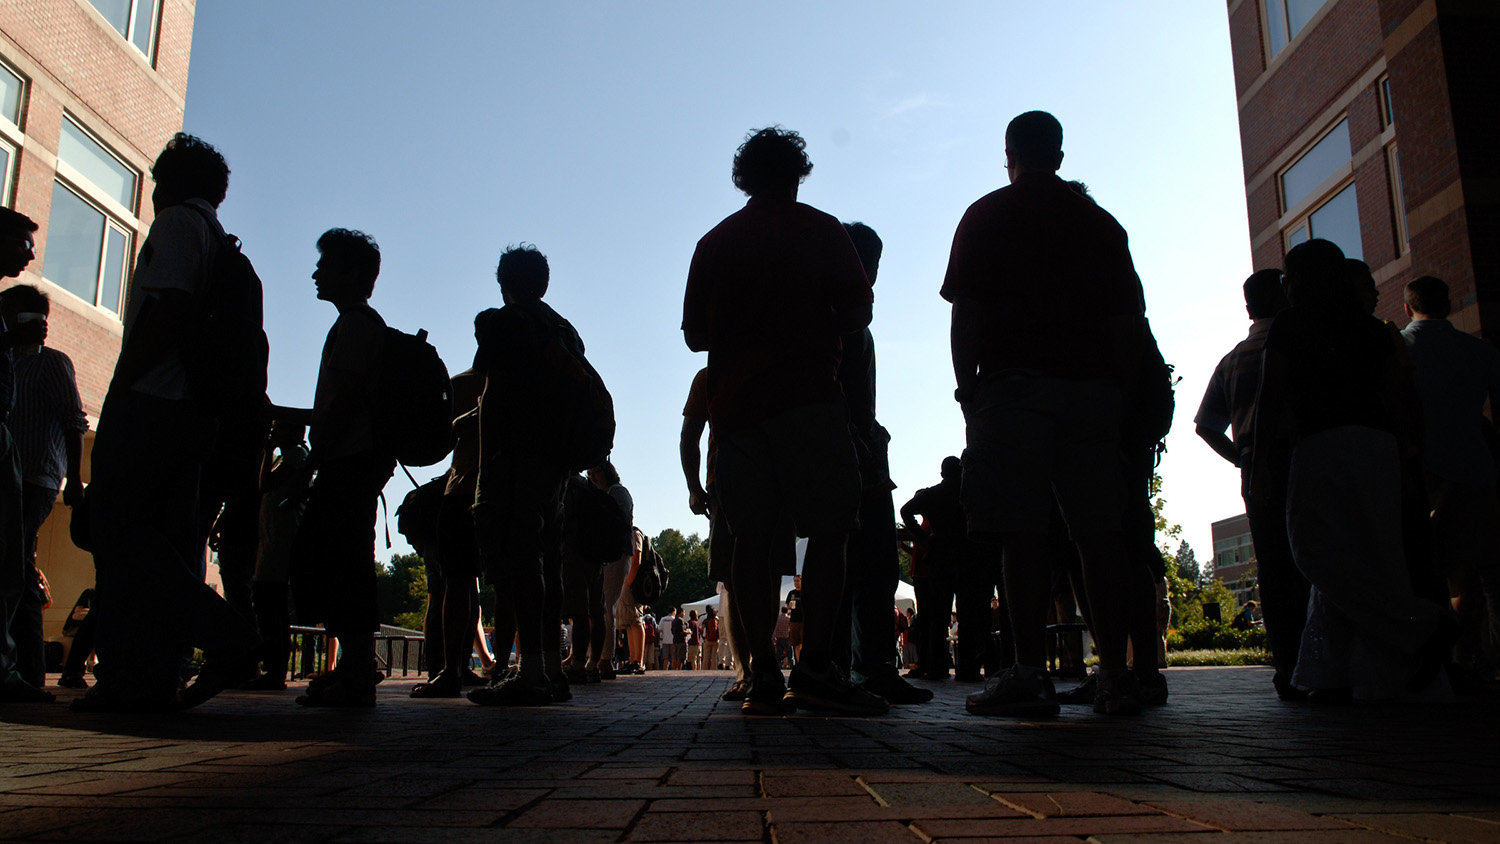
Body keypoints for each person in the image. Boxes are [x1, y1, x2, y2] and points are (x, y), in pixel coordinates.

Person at [943, 112, 1147, 717]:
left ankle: (1030, 673)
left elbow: (967, 313)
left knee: (1021, 530)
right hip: (1092, 390)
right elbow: (1126, 321)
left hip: (1014, 388)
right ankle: (1115, 673)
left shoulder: (987, 215)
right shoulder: (1099, 224)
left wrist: (965, 388)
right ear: (1058, 153)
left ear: (1009, 154)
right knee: (1098, 533)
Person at [681, 126, 885, 716]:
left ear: (744, 176)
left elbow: (697, 336)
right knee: (828, 531)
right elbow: (855, 313)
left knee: (751, 539)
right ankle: (817, 667)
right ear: (799, 172)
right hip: (811, 401)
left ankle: (762, 674)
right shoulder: (823, 230)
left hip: (739, 410)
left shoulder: (715, 242)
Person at [75, 136, 260, 712]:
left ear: (169, 182)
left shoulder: (179, 224)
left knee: (116, 530)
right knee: (168, 541)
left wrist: (123, 383)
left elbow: (170, 309)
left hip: (154, 403)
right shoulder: (216, 238)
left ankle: (226, 635)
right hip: (191, 415)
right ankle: (145, 678)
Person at [1251, 239, 1448, 700]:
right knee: (1377, 553)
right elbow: (1400, 398)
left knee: (1313, 552)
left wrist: (1259, 462)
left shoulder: (1292, 325)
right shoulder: (1376, 329)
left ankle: (1419, 625)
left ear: (1297, 280)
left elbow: (1271, 396)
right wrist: (1405, 457)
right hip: (1378, 447)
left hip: (1322, 445)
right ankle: (1353, 672)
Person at [467, 245, 593, 707]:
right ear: (544, 283)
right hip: (558, 461)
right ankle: (551, 670)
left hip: (515, 456)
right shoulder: (565, 331)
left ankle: (531, 672)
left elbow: (486, 384)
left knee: (519, 560)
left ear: (505, 284)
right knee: (551, 563)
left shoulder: (503, 324)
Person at [287, 228, 397, 708]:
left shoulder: (354, 326)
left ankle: (355, 668)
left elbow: (345, 398)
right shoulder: (362, 325)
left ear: (353, 274)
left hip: (347, 460)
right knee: (346, 560)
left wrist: (317, 451)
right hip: (359, 460)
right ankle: (353, 665)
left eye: (326, 264)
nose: (316, 273)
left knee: (342, 562)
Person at [1196, 269, 1309, 699]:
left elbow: (1206, 426)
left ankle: (1288, 668)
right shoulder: (1301, 345)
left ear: (1248, 307)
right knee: (1314, 560)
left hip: (1254, 464)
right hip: (1302, 454)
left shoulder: (1234, 358)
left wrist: (1241, 458)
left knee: (1275, 568)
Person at [830, 222, 931, 704]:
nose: (871, 277)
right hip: (852, 447)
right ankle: (860, 669)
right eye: (868, 264)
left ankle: (868, 668)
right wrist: (856, 435)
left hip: (862, 444)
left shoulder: (850, 318)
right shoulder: (839, 318)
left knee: (870, 567)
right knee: (861, 565)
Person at [1400, 276, 1500, 682]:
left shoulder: (1401, 348)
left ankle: (1436, 662)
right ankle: (1476, 658)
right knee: (1484, 568)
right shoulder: (1479, 350)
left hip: (1422, 471)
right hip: (1475, 466)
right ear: (1450, 304)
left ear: (1409, 308)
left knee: (1428, 571)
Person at [0, 284, 87, 690]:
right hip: (9, 474)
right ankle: (23, 667)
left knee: (16, 567)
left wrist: (74, 482)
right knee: (15, 565)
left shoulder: (52, 363)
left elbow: (73, 421)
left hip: (35, 477)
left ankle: (29, 671)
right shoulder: (8, 361)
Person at [0, 208, 53, 703]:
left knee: (13, 560)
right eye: (21, 242)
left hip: (21, 459)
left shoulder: (45, 360)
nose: (30, 253)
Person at [680, 365, 757, 698]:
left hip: (731, 480)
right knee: (741, 576)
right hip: (734, 482)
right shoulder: (710, 376)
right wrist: (695, 486)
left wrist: (695, 486)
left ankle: (751, 670)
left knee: (741, 577)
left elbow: (689, 434)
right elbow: (690, 435)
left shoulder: (711, 375)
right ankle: (749, 669)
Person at [411, 365, 485, 698]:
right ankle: (522, 668)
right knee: (482, 587)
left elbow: (435, 444)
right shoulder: (524, 382)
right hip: (503, 491)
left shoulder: (459, 386)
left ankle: (448, 668)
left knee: (453, 584)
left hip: (463, 487)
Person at [241, 420, 310, 690]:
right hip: (273, 540)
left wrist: (267, 450)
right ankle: (273, 667)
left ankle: (274, 669)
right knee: (269, 603)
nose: (273, 433)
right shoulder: (289, 457)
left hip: (281, 542)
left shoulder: (295, 456)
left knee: (270, 602)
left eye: (279, 428)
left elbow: (265, 484)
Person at [900, 458, 969, 681]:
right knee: (969, 611)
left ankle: (936, 664)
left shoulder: (933, 495)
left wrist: (925, 541)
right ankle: (968, 665)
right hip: (966, 554)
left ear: (942, 473)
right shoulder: (967, 493)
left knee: (938, 614)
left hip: (940, 557)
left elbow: (905, 510)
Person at [590, 459, 633, 678]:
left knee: (607, 605)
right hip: (604, 553)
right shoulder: (607, 492)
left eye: (595, 471)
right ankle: (595, 657)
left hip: (615, 553)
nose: (592, 476)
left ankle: (604, 659)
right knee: (598, 605)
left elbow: (618, 522)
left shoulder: (617, 492)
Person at [703, 604, 721, 669]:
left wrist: (704, 637)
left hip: (707, 639)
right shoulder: (716, 619)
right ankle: (714, 669)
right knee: (714, 656)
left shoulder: (705, 620)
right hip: (716, 639)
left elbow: (702, 629)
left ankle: (704, 668)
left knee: (706, 656)